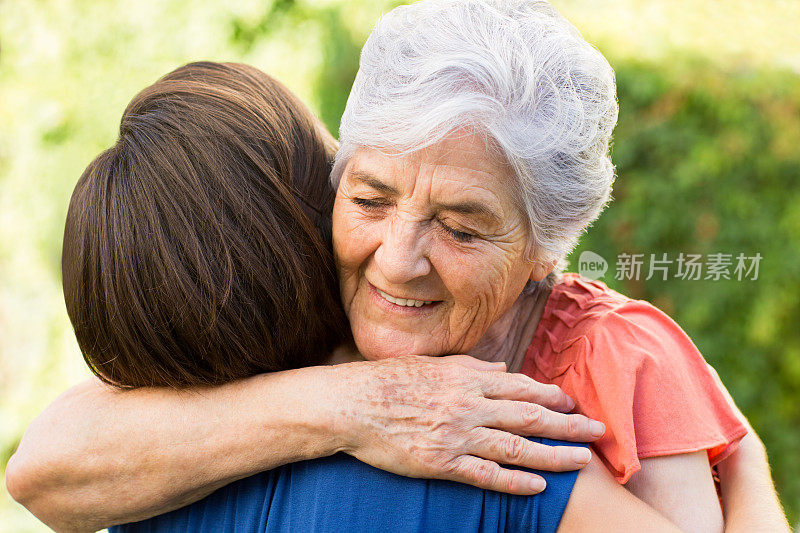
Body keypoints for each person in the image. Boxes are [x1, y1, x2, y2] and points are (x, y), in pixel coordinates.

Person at [6, 1, 790, 532]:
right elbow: (43, 464)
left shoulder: (619, 358)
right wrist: (363, 402)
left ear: (547, 244)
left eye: (460, 225)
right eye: (372, 198)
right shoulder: (296, 321)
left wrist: (740, 455)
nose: (399, 259)